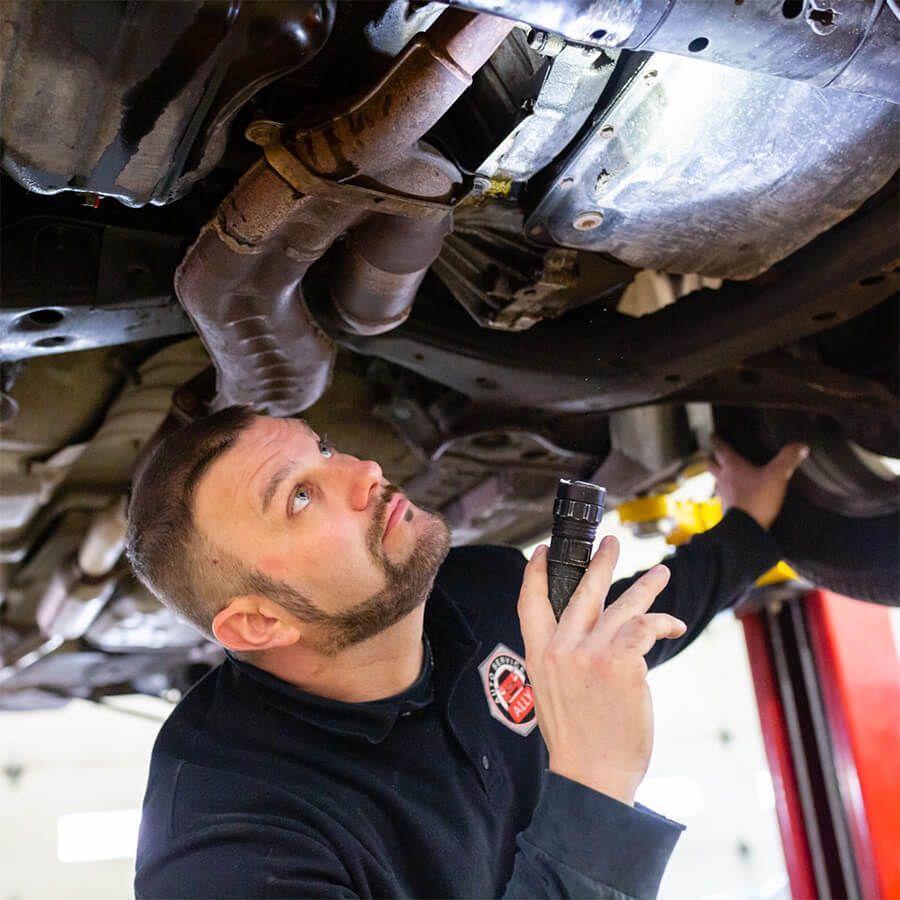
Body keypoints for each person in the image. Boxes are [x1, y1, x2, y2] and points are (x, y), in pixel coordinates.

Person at [126, 405, 808, 899]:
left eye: (325, 448)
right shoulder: (225, 845)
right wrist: (595, 788)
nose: (364, 470)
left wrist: (748, 528)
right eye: (300, 496)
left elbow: (623, 629)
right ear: (256, 623)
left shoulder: (482, 587)